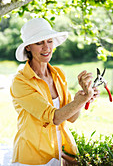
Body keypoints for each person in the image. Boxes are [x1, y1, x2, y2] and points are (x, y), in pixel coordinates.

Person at [10, 18, 99, 166]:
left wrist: (84, 96)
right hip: (32, 158)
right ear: (28, 47)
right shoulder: (21, 81)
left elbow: (71, 118)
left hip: (58, 154)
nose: (46, 48)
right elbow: (54, 118)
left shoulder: (58, 74)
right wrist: (80, 101)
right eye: (39, 43)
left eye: (49, 41)